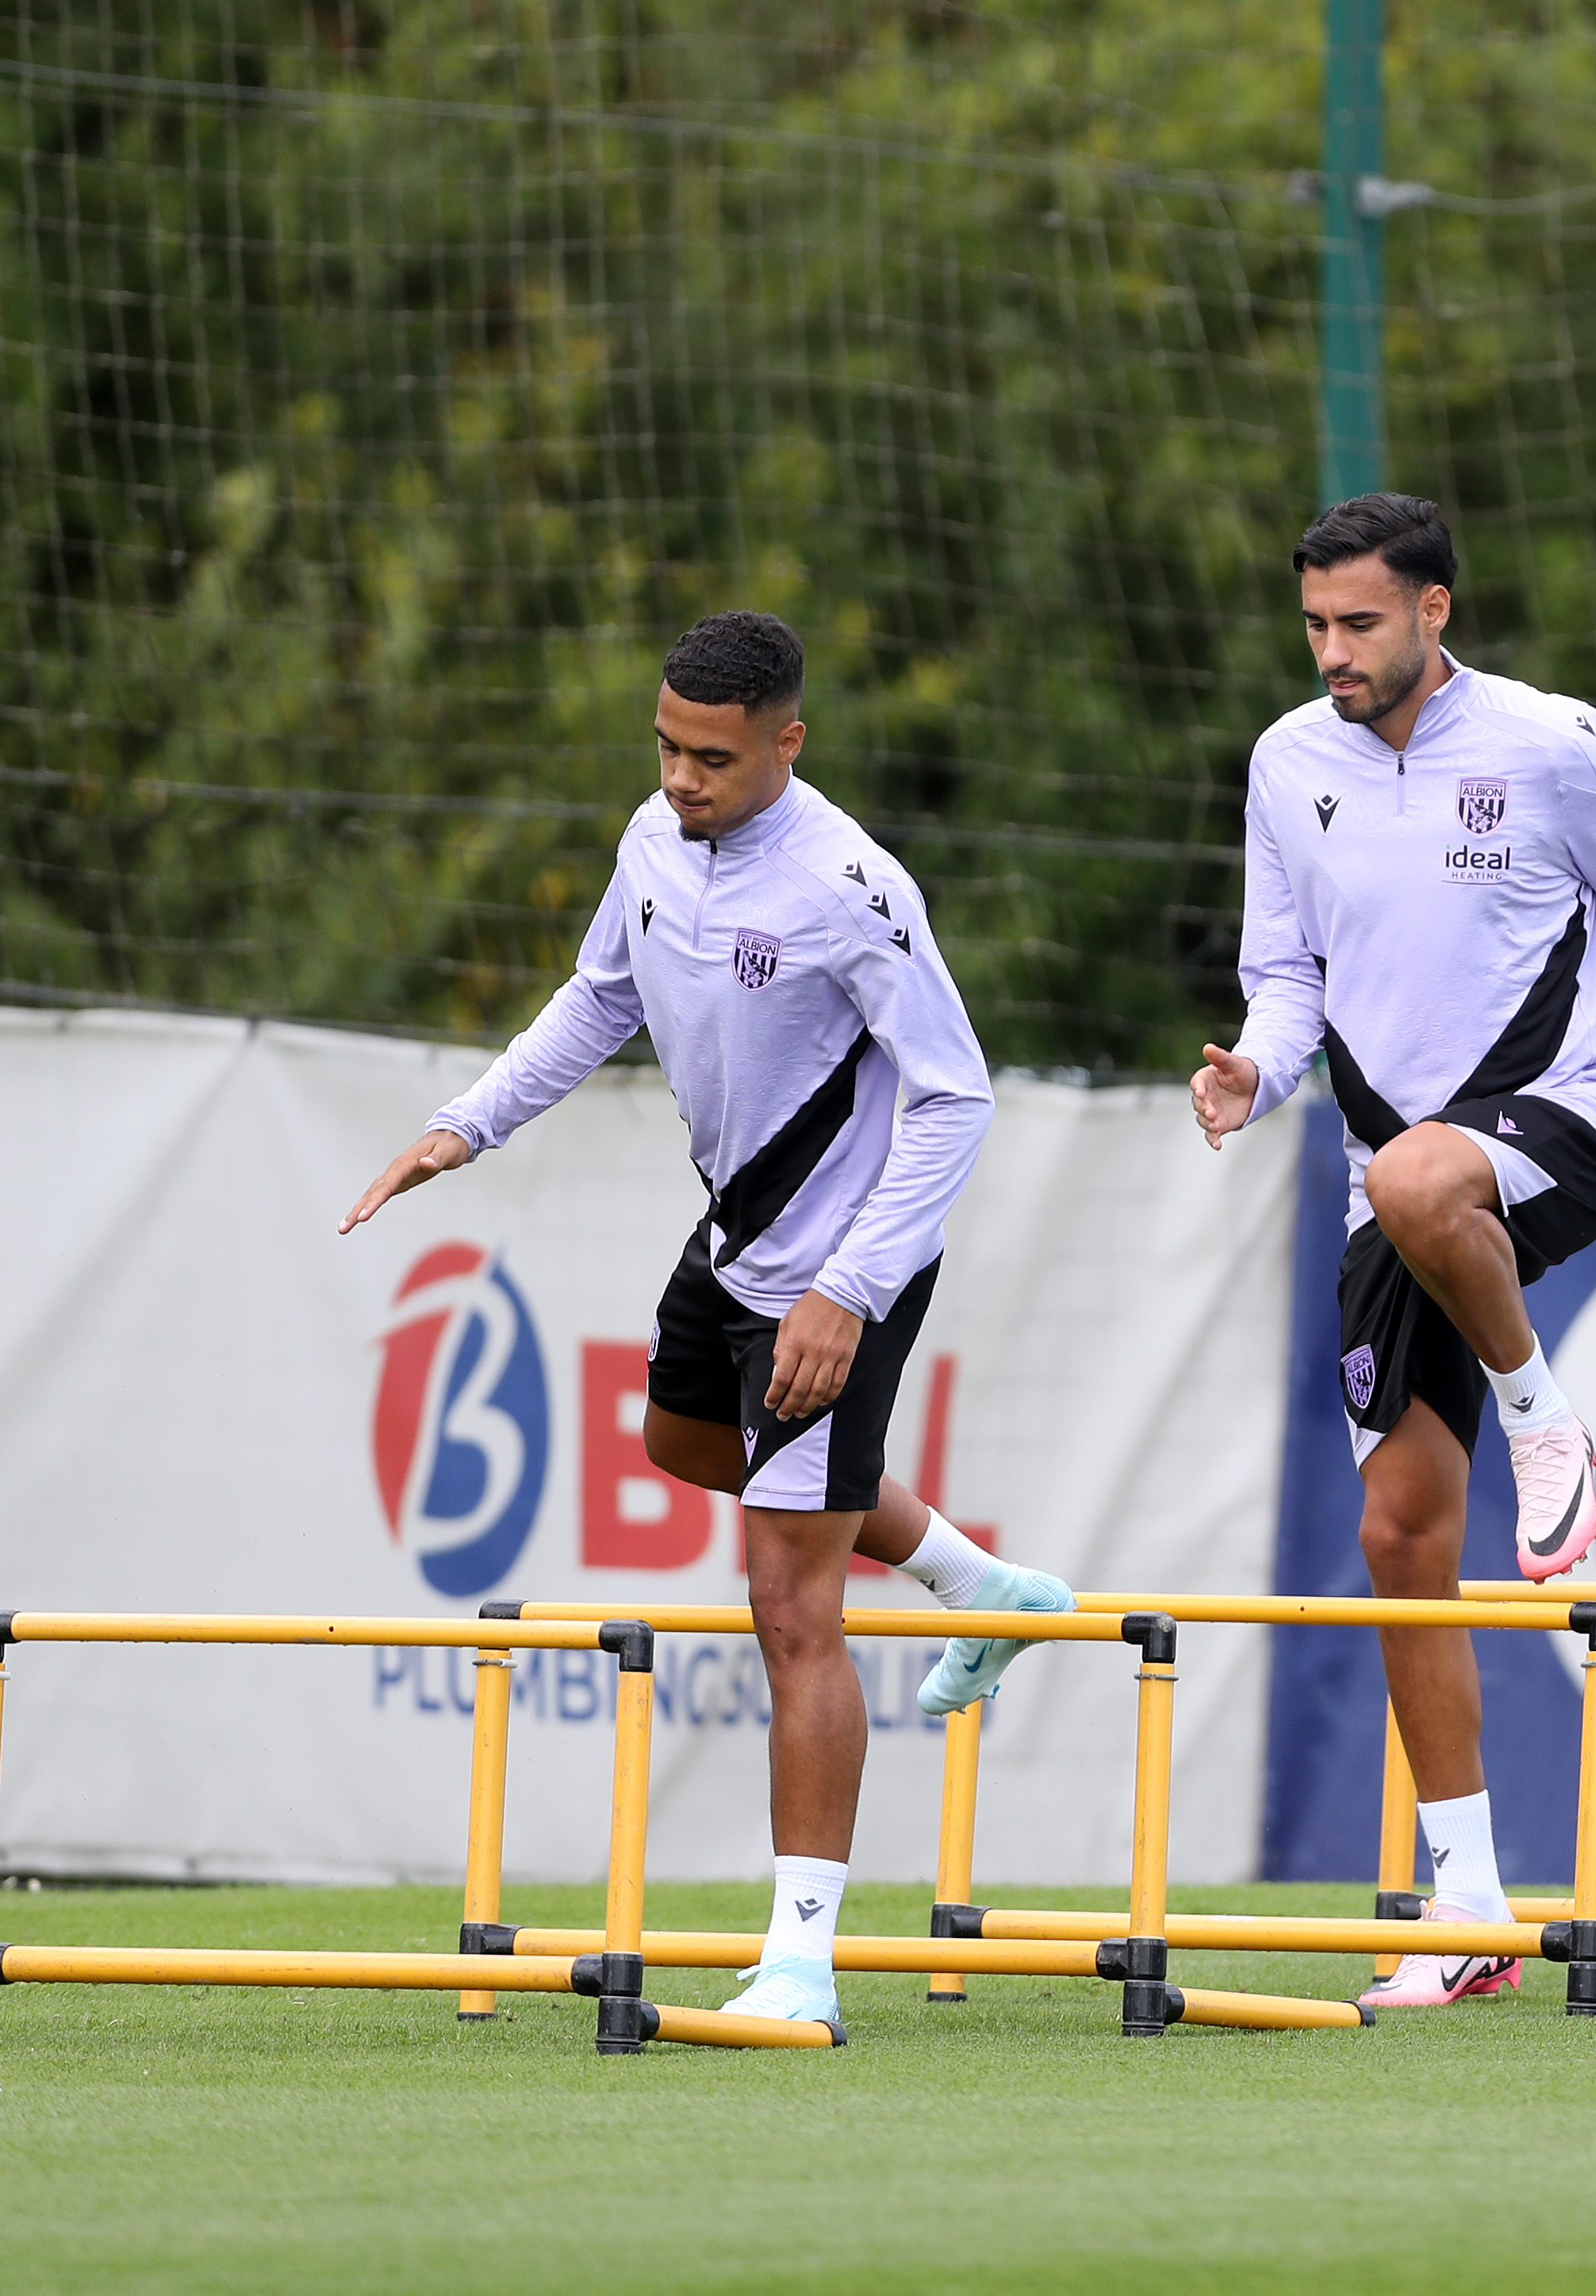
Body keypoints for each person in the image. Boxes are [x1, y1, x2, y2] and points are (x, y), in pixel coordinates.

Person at [342, 610, 1069, 2035]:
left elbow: (956, 1095)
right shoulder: (650, 840)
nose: (683, 777)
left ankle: (799, 1963)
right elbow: (597, 998)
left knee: (790, 1607)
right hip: (737, 1247)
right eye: (667, 746)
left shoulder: (852, 886)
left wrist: (845, 1294)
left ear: (787, 743)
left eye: (715, 757)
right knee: (678, 1439)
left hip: (844, 1269)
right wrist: (463, 1126)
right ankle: (980, 1582)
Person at [1192, 494, 1596, 2010]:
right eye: (1316, 628)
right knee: (1402, 1538)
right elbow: (1283, 978)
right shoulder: (1287, 763)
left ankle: (1544, 1419)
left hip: (1562, 1128)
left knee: (1417, 1177)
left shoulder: (1548, 744)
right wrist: (1252, 1077)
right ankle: (1464, 1902)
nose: (1334, 654)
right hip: (1388, 1184)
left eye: (1362, 625)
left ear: (1435, 612)